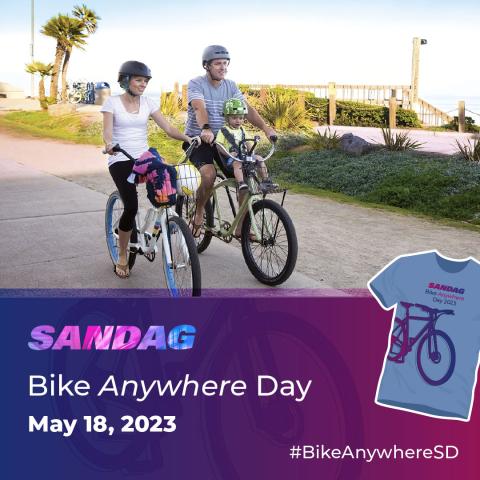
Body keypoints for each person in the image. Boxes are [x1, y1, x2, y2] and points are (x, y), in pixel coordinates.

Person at [102, 60, 193, 278]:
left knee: (169, 182)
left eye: (145, 81)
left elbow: (169, 128)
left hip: (144, 156)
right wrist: (108, 145)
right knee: (131, 207)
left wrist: (189, 138)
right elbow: (107, 132)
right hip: (121, 158)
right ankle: (123, 255)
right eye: (139, 80)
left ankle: (157, 225)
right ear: (126, 81)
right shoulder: (112, 103)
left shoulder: (148, 103)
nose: (143, 84)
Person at [183, 45, 277, 238]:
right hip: (200, 140)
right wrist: (206, 128)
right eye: (218, 63)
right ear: (206, 66)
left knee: (245, 173)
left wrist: (266, 128)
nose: (223, 67)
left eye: (225, 63)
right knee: (208, 175)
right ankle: (200, 211)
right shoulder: (196, 83)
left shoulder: (231, 86)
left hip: (225, 142)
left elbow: (247, 110)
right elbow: (199, 108)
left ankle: (242, 226)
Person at [216, 97, 277, 192]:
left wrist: (252, 153)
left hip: (245, 156)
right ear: (227, 118)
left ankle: (265, 181)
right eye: (234, 118)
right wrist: (228, 154)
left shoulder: (242, 130)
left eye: (240, 118)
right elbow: (219, 145)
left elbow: (248, 142)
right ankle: (241, 183)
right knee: (238, 163)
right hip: (232, 158)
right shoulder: (223, 130)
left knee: (259, 159)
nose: (238, 121)